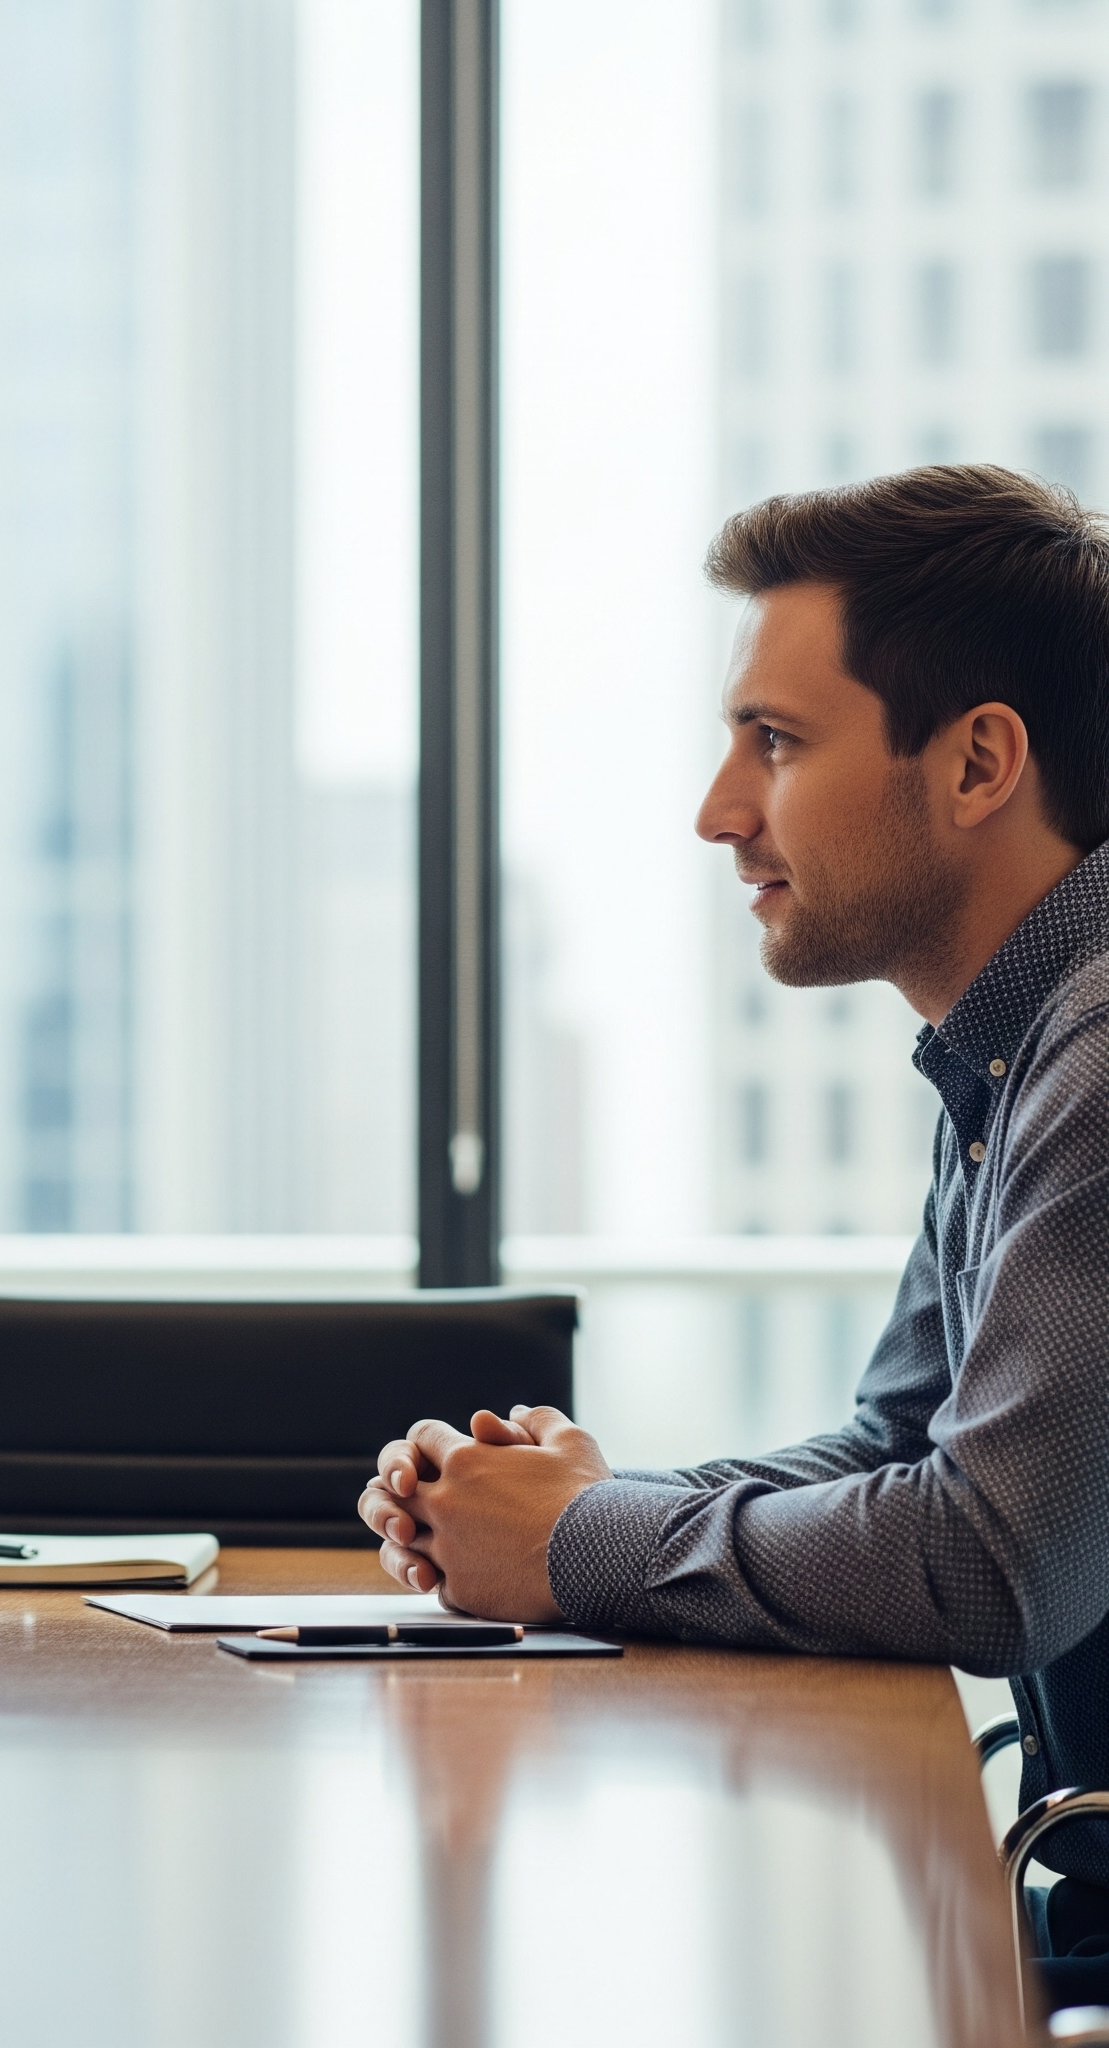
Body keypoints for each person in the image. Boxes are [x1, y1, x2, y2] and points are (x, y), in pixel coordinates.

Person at [358, 464, 1109, 1938]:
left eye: (774, 741)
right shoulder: (1014, 1052)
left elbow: (987, 1560)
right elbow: (898, 1443)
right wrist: (578, 1507)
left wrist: (579, 1543)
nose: (718, 812)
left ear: (976, 766)